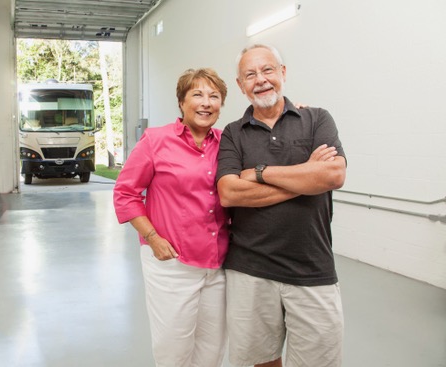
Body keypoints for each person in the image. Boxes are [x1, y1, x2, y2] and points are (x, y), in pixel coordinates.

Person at [216, 44, 347, 367]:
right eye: (250, 75)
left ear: (283, 73)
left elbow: (333, 173)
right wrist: (305, 180)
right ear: (240, 85)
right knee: (260, 361)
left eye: (268, 70)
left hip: (312, 268)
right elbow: (229, 193)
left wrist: (260, 173)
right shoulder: (233, 133)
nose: (260, 80)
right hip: (250, 270)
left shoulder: (317, 119)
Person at [113, 68, 229, 367]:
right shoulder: (156, 140)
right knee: (173, 351)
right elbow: (125, 193)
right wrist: (152, 238)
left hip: (218, 265)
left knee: (211, 349)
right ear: (181, 102)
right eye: (197, 95)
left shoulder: (228, 143)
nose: (206, 103)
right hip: (172, 263)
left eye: (214, 96)